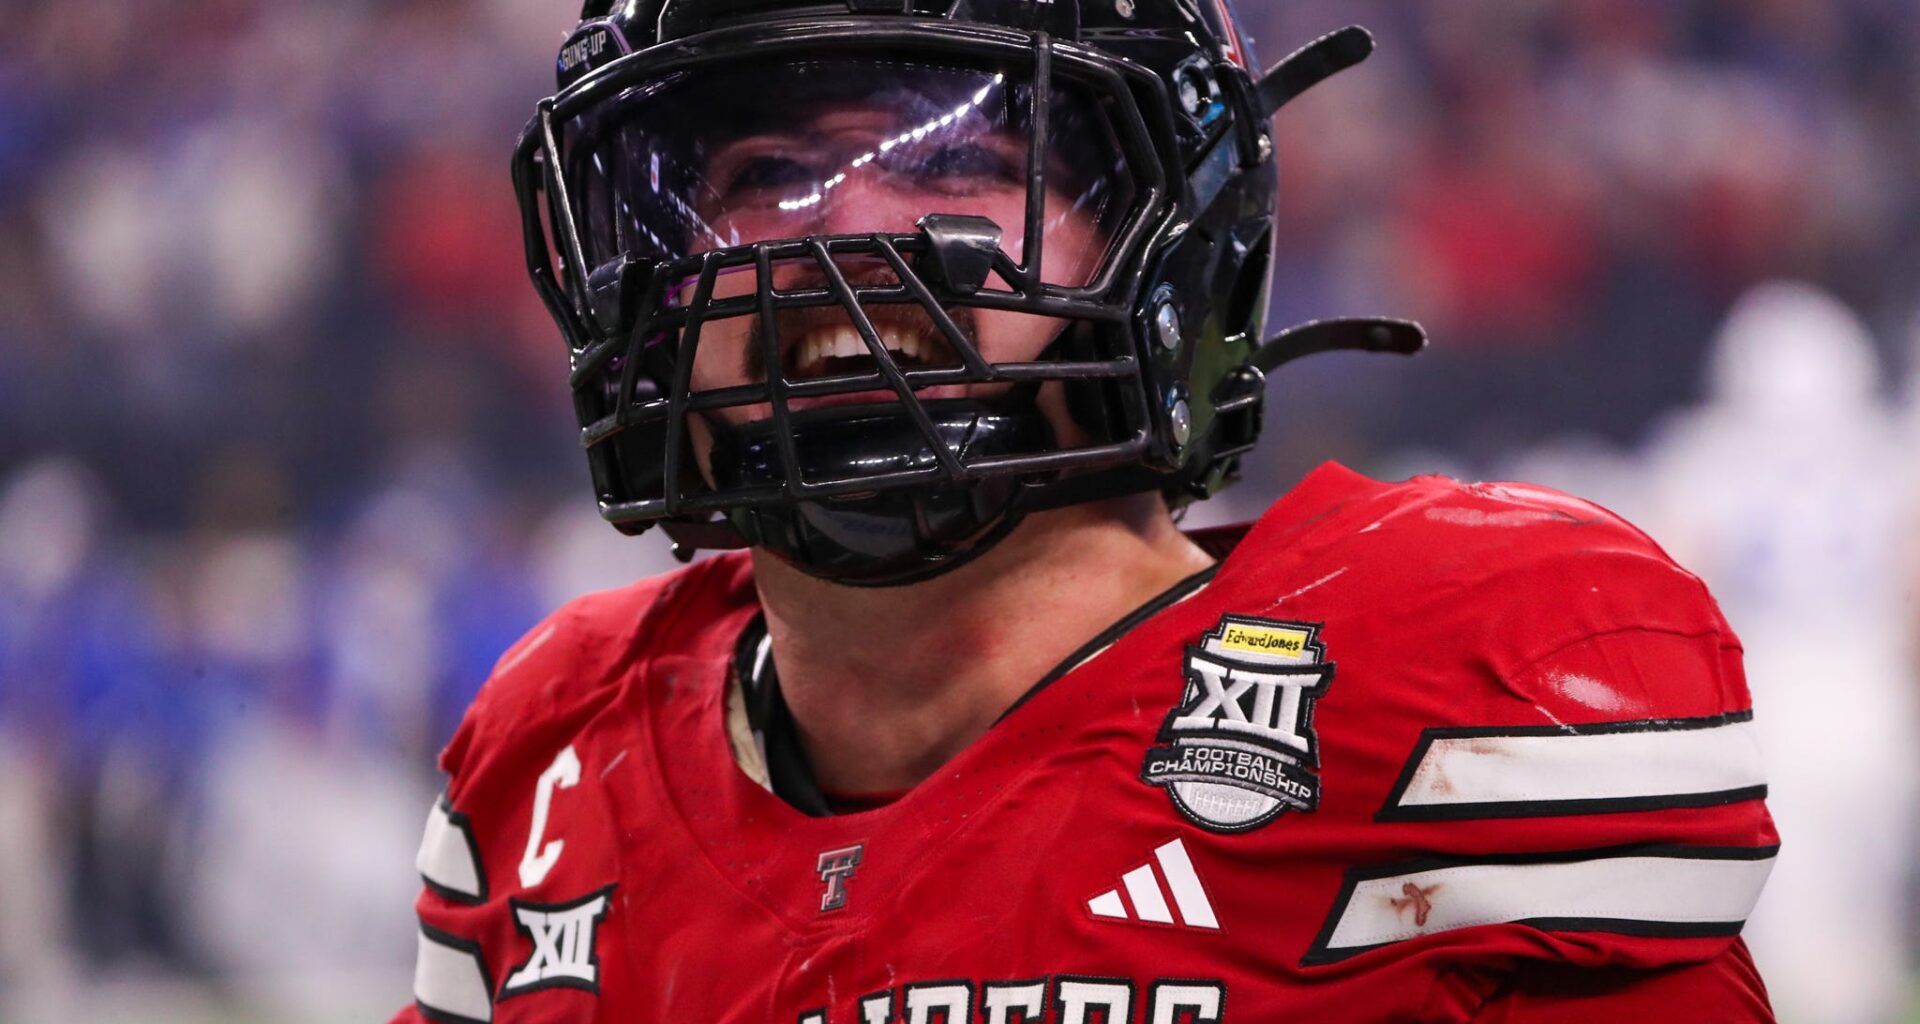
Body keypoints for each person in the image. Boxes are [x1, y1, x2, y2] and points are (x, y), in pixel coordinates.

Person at [396, 1, 1778, 1020]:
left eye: (956, 167)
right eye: (762, 179)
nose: (837, 230)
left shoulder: (1433, 683)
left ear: (1174, 247)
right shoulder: (558, 759)